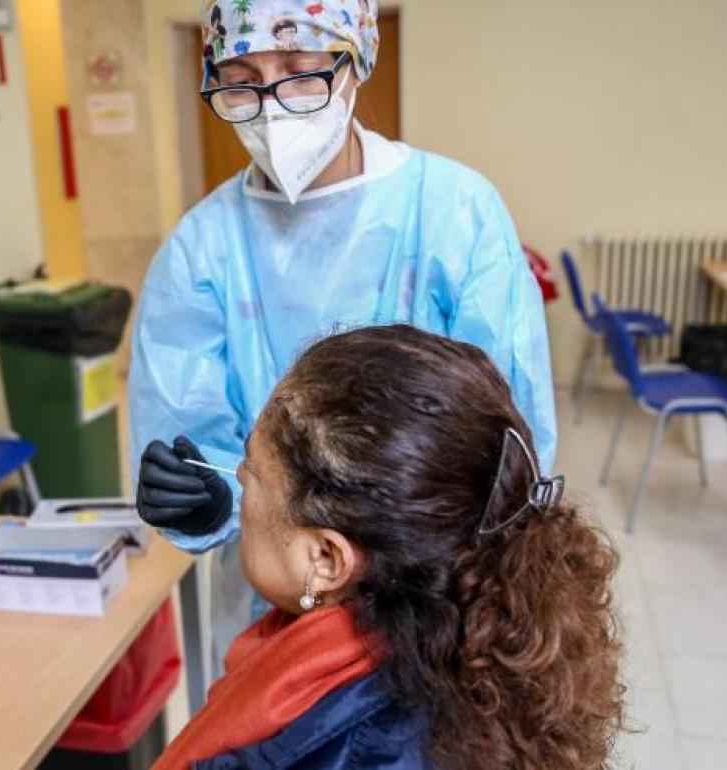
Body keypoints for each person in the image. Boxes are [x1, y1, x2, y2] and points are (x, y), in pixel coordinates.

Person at [131, 0, 558, 672]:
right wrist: (203, 499)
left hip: (439, 595)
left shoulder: (453, 213)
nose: (271, 106)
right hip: (276, 605)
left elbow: (511, 439)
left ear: (356, 62)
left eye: (301, 72)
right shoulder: (202, 249)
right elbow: (192, 438)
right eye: (241, 78)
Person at [152, 325, 623, 770]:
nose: (234, 477)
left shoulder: (327, 747)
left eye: (250, 474)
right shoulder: (470, 656)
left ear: (326, 559)